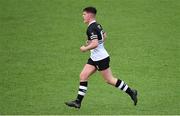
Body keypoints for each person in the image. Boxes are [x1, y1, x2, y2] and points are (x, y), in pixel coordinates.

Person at [65, 6, 138, 109]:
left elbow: (95, 44)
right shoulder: (97, 25)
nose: (83, 16)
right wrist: (92, 42)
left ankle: (131, 92)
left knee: (109, 80)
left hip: (101, 58)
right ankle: (78, 102)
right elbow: (104, 36)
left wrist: (85, 48)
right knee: (83, 75)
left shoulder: (90, 28)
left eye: (84, 14)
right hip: (94, 57)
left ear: (90, 15)